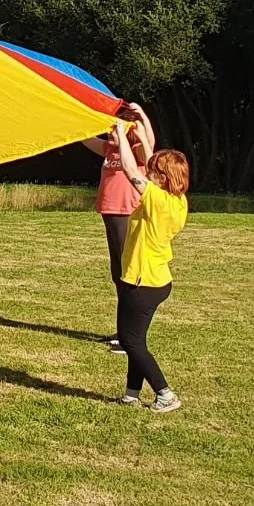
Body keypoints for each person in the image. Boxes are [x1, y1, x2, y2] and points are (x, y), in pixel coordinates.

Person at [110, 120, 189, 412]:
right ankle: (131, 394)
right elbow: (148, 157)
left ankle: (166, 394)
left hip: (143, 282)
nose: (149, 173)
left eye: (155, 172)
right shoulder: (176, 201)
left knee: (130, 341)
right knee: (135, 339)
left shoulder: (158, 200)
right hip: (156, 280)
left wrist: (119, 135)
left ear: (164, 178)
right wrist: (138, 128)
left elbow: (132, 172)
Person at [83, 103, 155, 351]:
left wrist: (140, 119)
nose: (109, 132)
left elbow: (149, 152)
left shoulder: (135, 151)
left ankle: (130, 337)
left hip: (126, 214)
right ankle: (123, 332)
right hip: (110, 214)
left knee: (129, 275)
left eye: (114, 128)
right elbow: (85, 140)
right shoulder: (109, 150)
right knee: (118, 274)